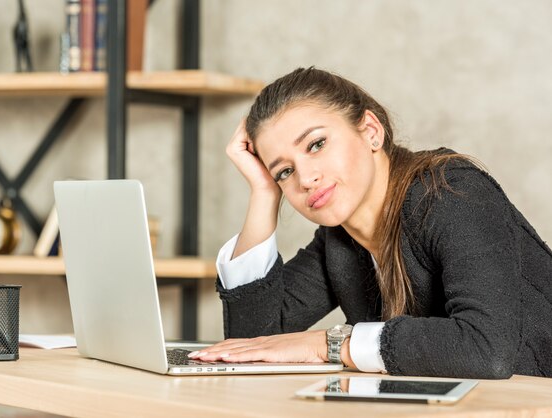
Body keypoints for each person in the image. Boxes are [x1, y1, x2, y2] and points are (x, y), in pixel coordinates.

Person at [188, 67, 552, 379]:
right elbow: (250, 345)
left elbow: (487, 348)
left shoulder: (451, 192)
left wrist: (329, 345)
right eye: (284, 171)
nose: (305, 179)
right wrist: (264, 192)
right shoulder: (339, 242)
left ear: (371, 131)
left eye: (316, 145)